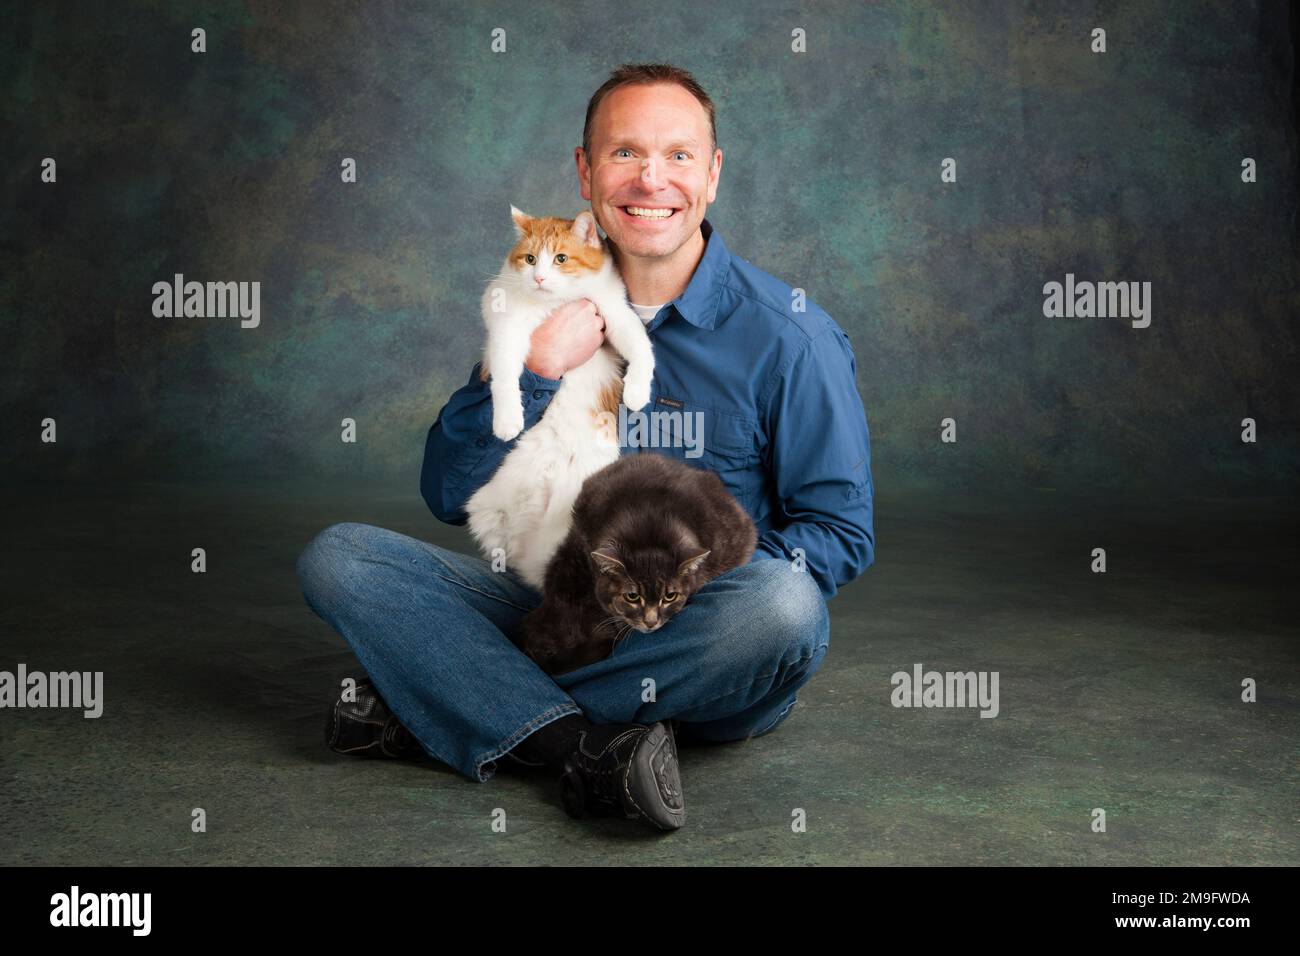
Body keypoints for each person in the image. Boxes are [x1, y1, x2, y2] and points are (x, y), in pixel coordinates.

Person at [296, 63, 875, 832]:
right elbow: (446, 493)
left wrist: (693, 585)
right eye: (624, 153)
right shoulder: (539, 301)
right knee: (342, 558)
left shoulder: (792, 338)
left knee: (784, 608)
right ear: (586, 171)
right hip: (552, 606)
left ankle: (459, 704)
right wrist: (536, 371)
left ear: (712, 175)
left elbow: (839, 537)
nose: (650, 179)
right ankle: (579, 743)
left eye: (677, 155)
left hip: (690, 631)